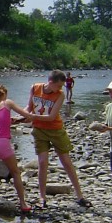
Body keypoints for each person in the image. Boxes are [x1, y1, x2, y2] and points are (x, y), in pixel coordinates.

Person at [0, 84, 53, 216]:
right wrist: (41, 117)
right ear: (4, 94)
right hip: (3, 143)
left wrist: (11, 121)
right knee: (15, 172)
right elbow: (26, 115)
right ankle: (23, 204)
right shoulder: (7, 103)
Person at [26, 69, 89, 208]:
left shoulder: (60, 95)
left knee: (66, 161)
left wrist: (32, 117)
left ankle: (80, 196)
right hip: (39, 130)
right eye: (59, 85)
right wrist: (20, 117)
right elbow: (29, 108)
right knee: (42, 162)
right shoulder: (35, 88)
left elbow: (51, 117)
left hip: (56, 130)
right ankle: (42, 197)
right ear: (50, 82)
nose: (61, 88)